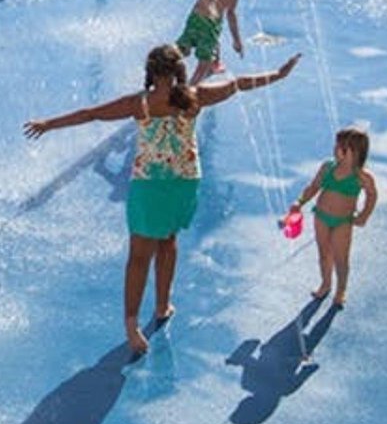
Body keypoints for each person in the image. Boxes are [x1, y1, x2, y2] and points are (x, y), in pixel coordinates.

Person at [25, 44, 301, 356]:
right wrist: (278, 75)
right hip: (184, 182)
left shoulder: (140, 103)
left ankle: (132, 322)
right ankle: (161, 305)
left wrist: (49, 124)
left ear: (151, 73)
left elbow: (92, 114)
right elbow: (238, 84)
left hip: (150, 185)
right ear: (178, 71)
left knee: (139, 255)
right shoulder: (194, 97)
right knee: (169, 240)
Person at [288, 127, 378, 307]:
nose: (335, 150)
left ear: (355, 153)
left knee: (341, 258)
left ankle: (341, 290)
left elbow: (372, 195)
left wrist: (364, 215)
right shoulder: (328, 167)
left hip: (343, 222)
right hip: (321, 217)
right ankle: (326, 283)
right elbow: (313, 187)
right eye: (336, 146)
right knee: (323, 254)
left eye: (341, 148)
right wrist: (299, 202)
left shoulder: (362, 176)